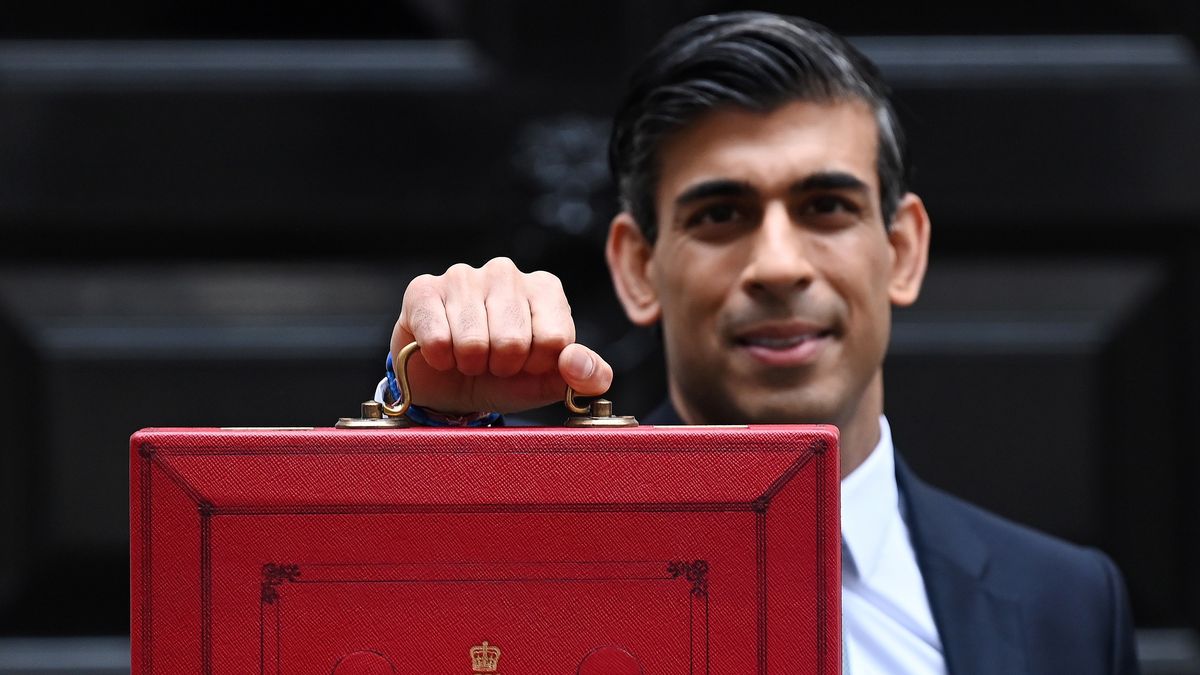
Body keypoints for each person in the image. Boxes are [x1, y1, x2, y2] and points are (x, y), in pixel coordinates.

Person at [379, 11, 1140, 674]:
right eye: (720, 214)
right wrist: (438, 436)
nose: (778, 264)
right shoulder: (539, 572)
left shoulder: (1069, 605)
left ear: (902, 248)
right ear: (638, 267)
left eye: (827, 206)